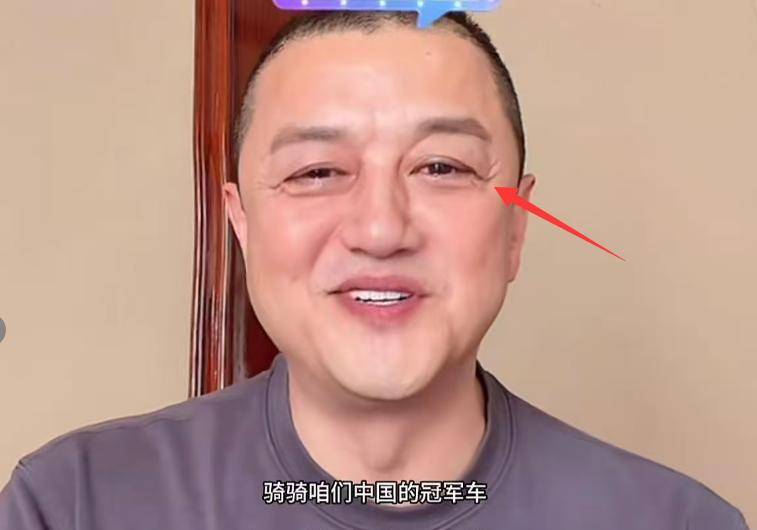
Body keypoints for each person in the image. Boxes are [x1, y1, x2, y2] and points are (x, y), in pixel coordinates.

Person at [0, 10, 749, 530]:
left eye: (441, 166)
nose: (381, 229)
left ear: (516, 226)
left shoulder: (676, 522)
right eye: (317, 171)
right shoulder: (74, 505)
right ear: (241, 223)